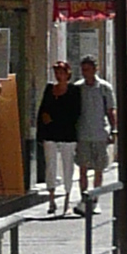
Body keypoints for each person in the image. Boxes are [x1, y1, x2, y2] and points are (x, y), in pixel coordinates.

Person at [34, 58, 81, 213]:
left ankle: (67, 196)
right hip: (50, 133)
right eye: (56, 72)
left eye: (62, 72)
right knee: (50, 166)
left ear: (67, 74)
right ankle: (52, 199)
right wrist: (40, 132)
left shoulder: (74, 90)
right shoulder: (49, 89)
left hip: (68, 134)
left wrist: (54, 117)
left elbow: (75, 113)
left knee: (68, 166)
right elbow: (42, 111)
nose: (59, 75)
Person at [75, 57, 114, 201]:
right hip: (83, 133)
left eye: (87, 70)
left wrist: (113, 130)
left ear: (95, 70)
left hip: (99, 132)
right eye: (83, 70)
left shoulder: (104, 88)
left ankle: (95, 198)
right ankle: (84, 198)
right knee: (82, 168)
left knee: (99, 169)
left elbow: (110, 110)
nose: (85, 73)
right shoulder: (78, 88)